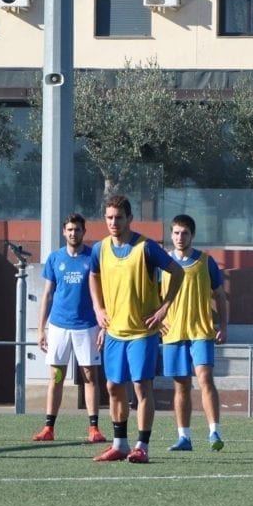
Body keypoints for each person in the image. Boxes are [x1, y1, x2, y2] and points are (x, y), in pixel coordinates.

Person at [88, 195, 184, 464]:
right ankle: (119, 444)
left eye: (119, 217)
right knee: (113, 386)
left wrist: (164, 308)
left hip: (142, 332)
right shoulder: (100, 249)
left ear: (129, 219)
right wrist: (98, 308)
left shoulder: (146, 248)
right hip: (115, 332)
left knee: (142, 387)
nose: (113, 222)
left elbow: (177, 273)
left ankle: (142, 445)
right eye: (109, 217)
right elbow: (93, 276)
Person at [33, 213, 106, 444]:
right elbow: (47, 295)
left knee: (90, 376)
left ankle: (94, 428)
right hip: (58, 326)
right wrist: (40, 329)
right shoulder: (55, 259)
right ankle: (48, 428)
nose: (73, 233)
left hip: (87, 326)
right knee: (56, 376)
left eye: (77, 230)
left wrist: (104, 325)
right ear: (64, 232)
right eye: (70, 230)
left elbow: (103, 293)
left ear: (84, 232)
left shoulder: (93, 257)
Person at [161, 214, 228, 452]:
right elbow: (152, 297)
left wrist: (224, 325)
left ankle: (214, 432)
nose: (180, 237)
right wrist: (158, 321)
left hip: (201, 330)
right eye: (177, 233)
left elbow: (220, 295)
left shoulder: (205, 262)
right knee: (181, 386)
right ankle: (184, 437)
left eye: (185, 233)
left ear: (192, 235)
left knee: (205, 379)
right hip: (173, 332)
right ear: (171, 235)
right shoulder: (163, 264)